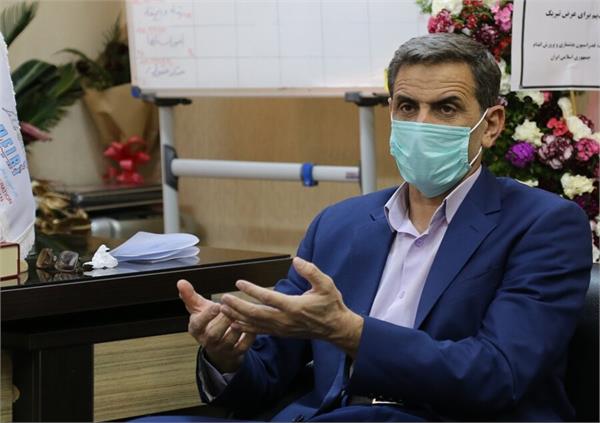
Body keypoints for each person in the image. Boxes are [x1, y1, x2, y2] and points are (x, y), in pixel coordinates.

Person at [177, 33, 592, 422]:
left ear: (491, 125)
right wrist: (226, 355)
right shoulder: (338, 224)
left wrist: (352, 333)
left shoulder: (543, 225)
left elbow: (497, 374)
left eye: (446, 108)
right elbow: (266, 374)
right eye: (407, 107)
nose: (422, 124)